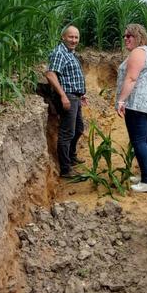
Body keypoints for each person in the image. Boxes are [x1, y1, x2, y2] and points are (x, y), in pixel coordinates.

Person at [115, 23, 147, 193]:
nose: (126, 39)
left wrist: (121, 101)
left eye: (130, 36)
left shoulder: (138, 52)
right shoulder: (146, 52)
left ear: (139, 36)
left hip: (137, 104)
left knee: (139, 142)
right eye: (125, 36)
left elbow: (131, 79)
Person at [46, 25, 87, 178]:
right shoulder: (59, 53)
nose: (74, 40)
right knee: (67, 132)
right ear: (63, 37)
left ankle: (71, 156)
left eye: (76, 37)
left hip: (74, 96)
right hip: (68, 97)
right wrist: (63, 96)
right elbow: (50, 74)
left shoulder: (70, 53)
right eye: (71, 37)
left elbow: (70, 77)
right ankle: (66, 169)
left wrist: (81, 93)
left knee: (78, 129)